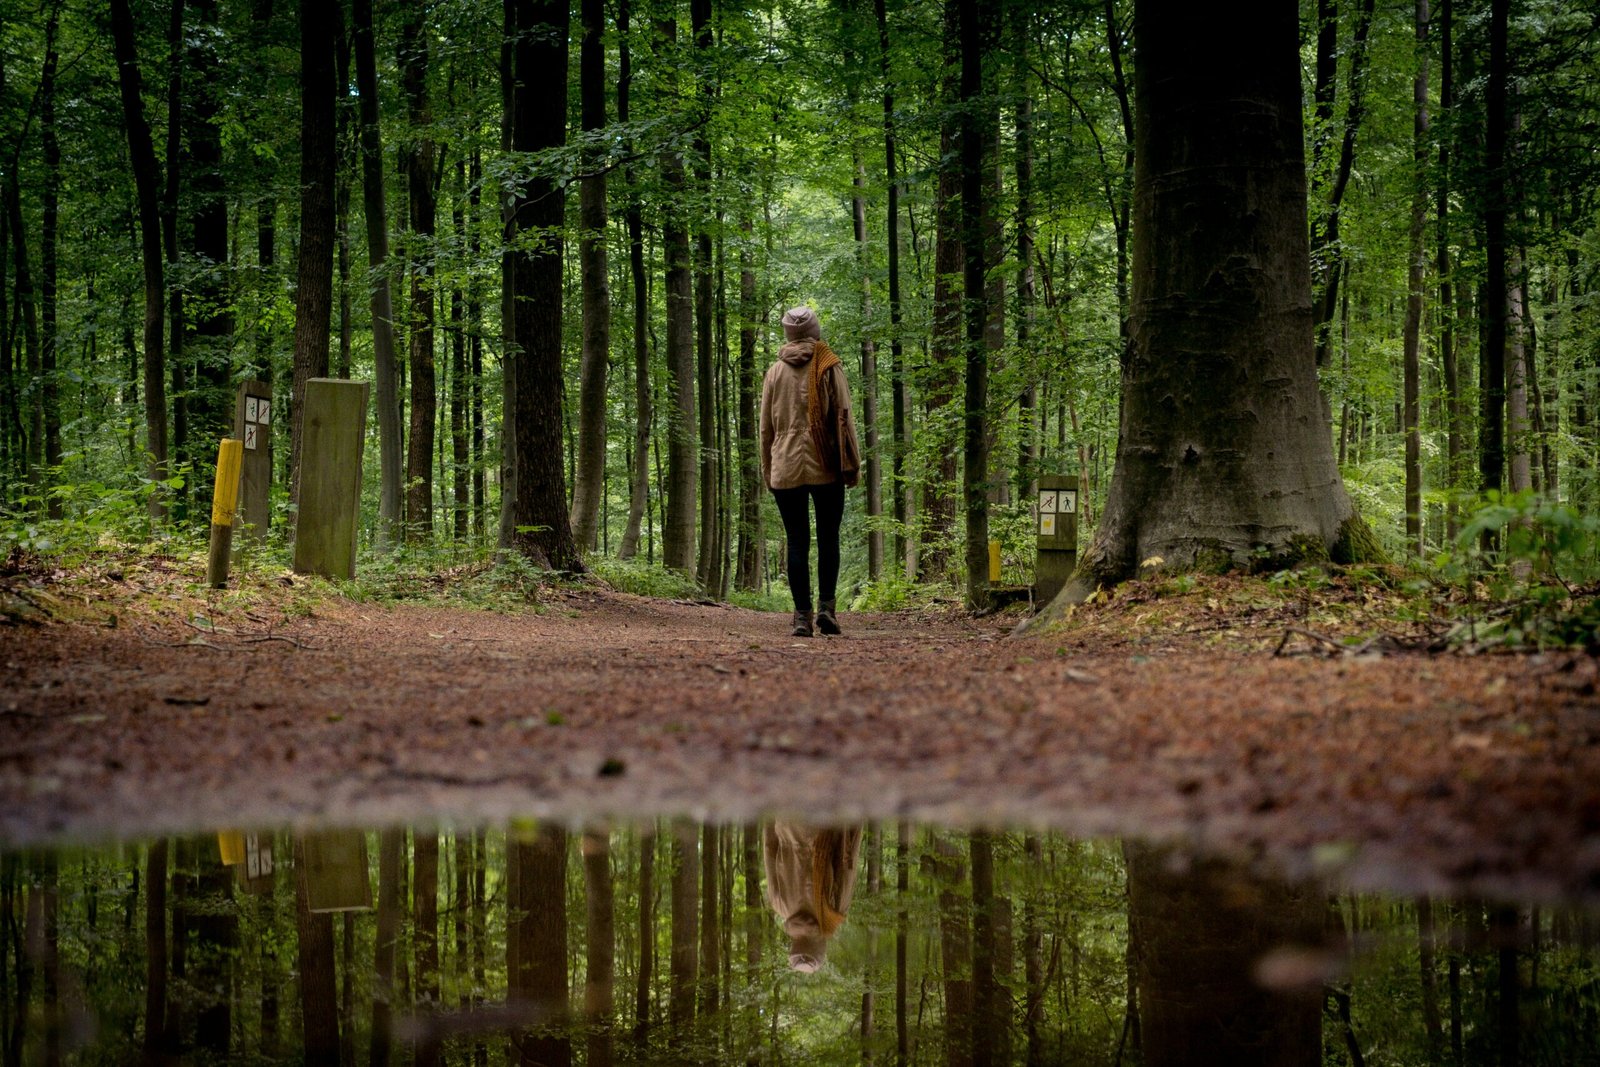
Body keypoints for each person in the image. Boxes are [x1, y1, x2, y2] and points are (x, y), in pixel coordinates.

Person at [759, 305, 861, 637]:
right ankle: (827, 610)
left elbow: (765, 430)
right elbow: (844, 420)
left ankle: (801, 616)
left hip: (785, 466)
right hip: (827, 464)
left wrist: (768, 469)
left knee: (797, 541)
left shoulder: (774, 372)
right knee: (829, 539)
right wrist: (852, 464)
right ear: (815, 331)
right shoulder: (829, 367)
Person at [762, 822, 863, 973]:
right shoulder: (778, 904)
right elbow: (770, 847)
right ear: (794, 945)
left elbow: (847, 861)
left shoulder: (833, 912)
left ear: (820, 949)